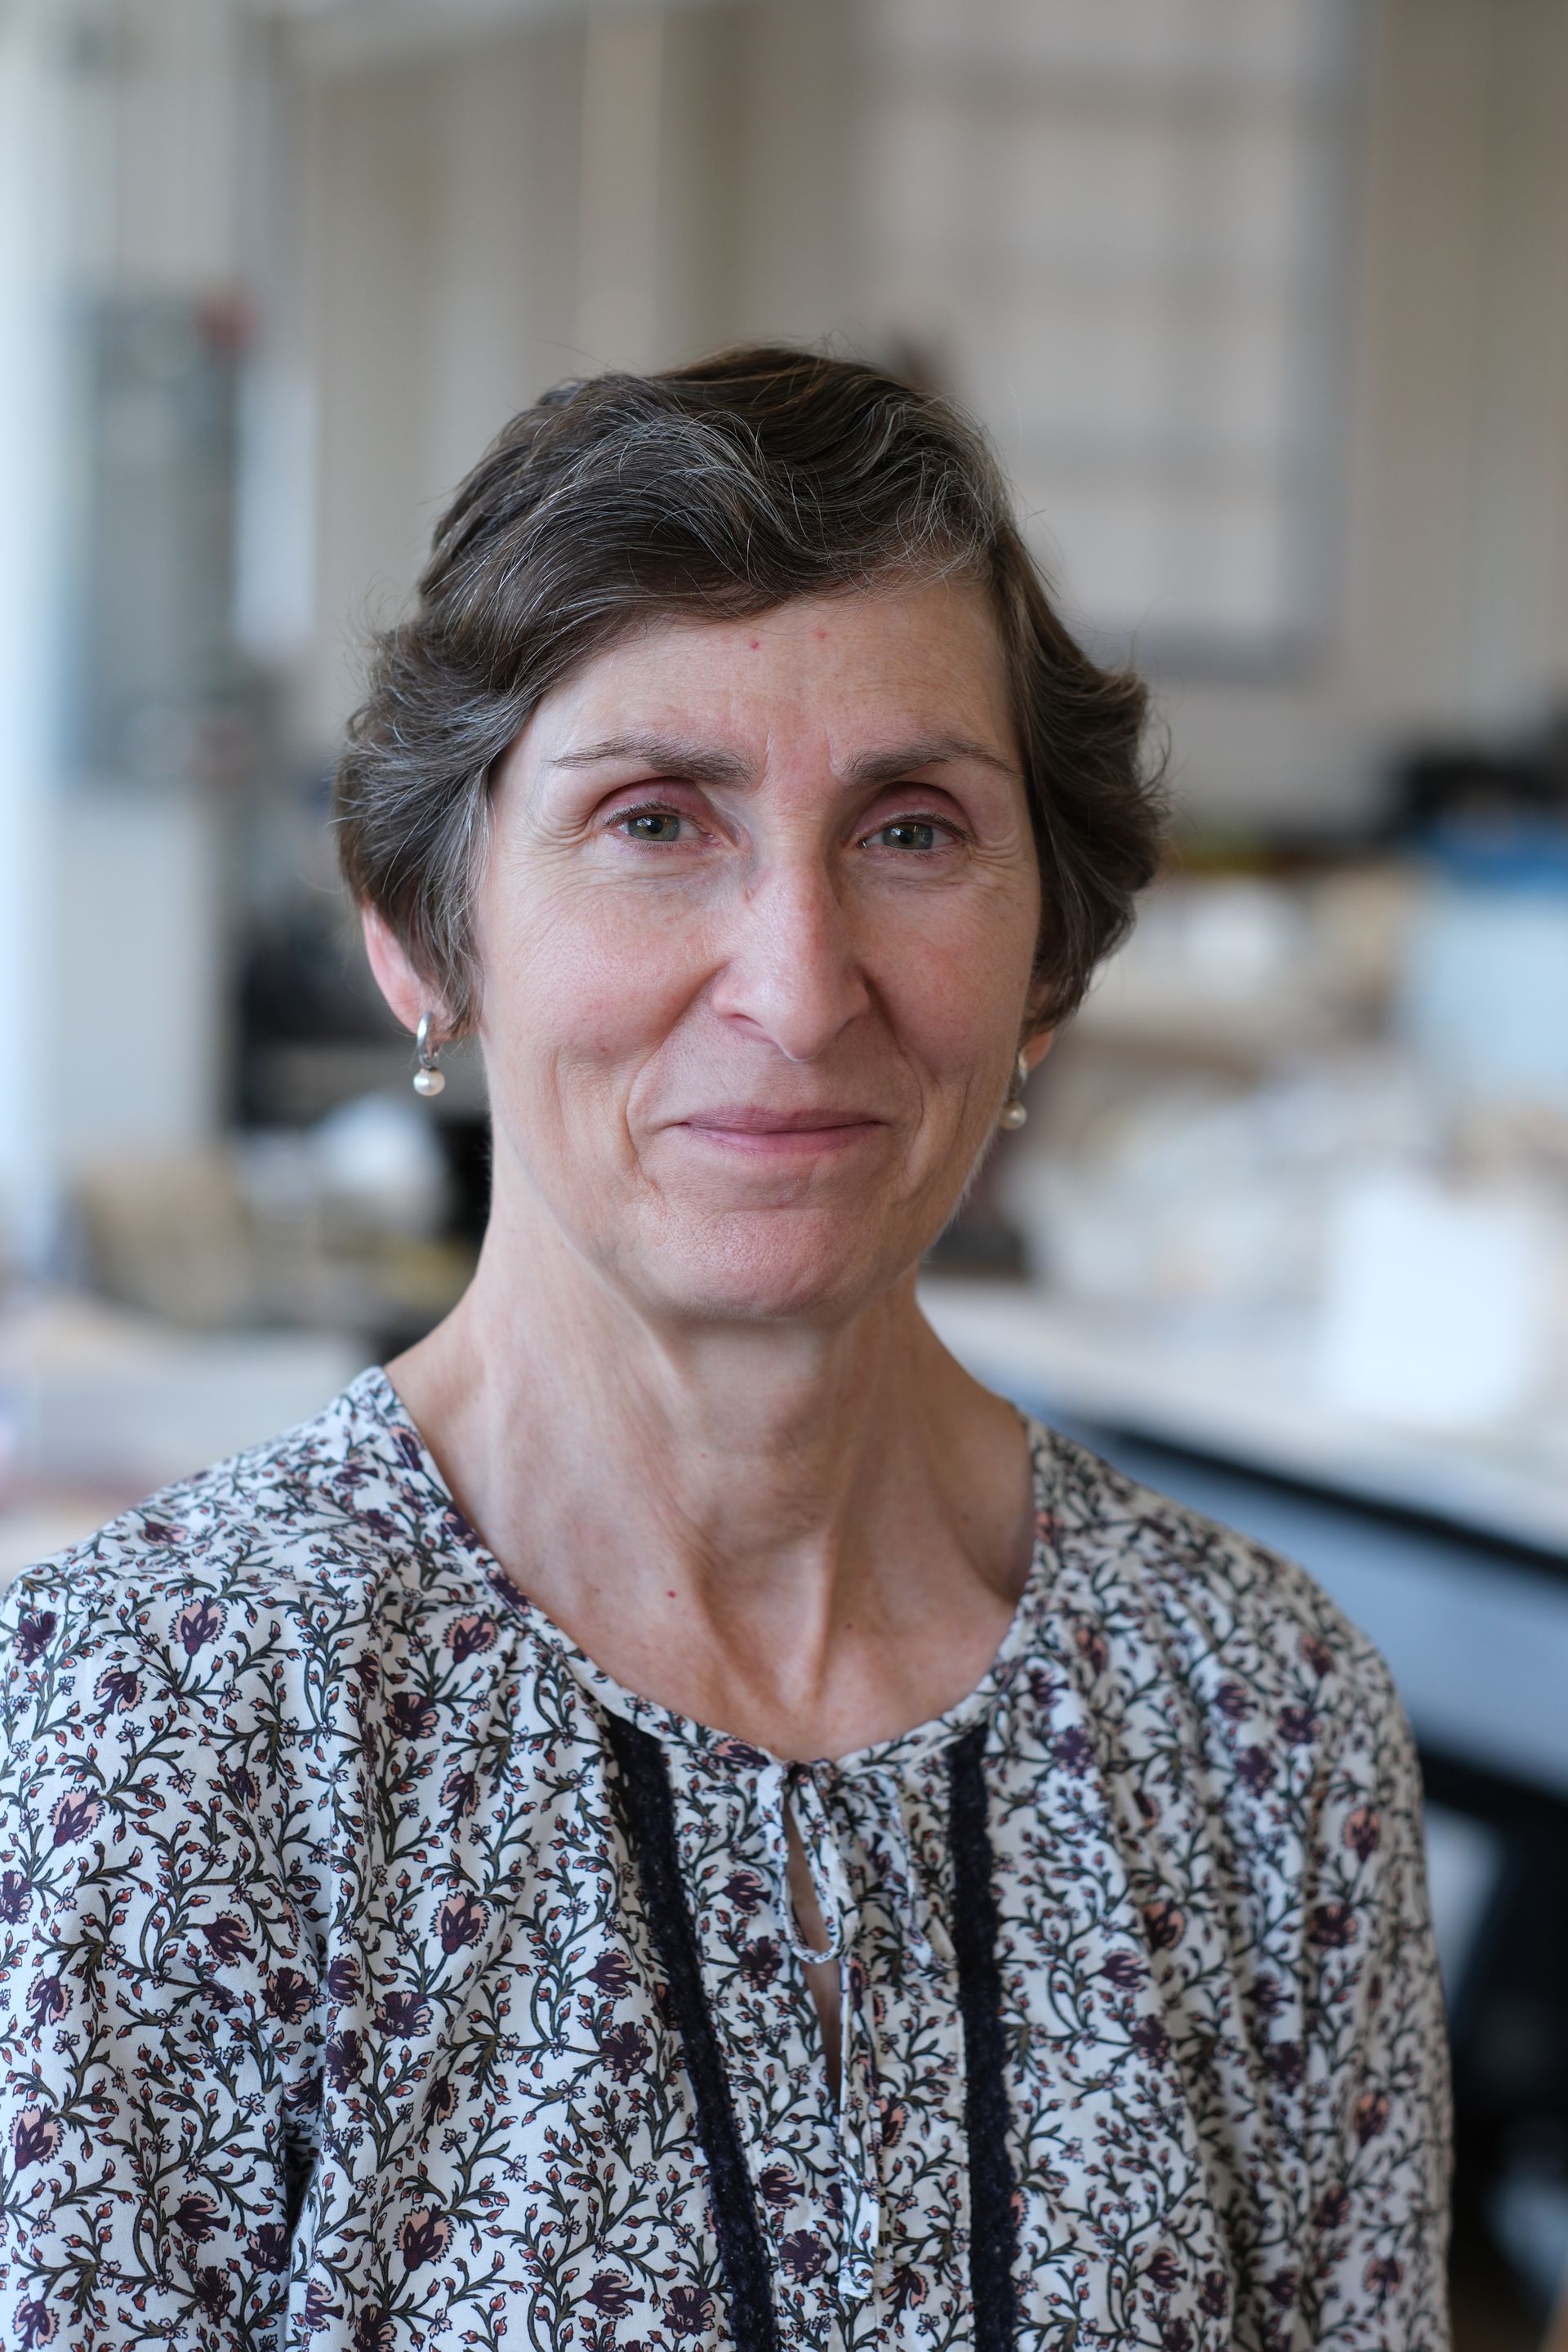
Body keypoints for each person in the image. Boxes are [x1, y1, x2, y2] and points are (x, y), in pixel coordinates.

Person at [0, 350, 1448, 2352]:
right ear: (422, 929)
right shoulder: (143, 1732)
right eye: (656, 819)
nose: (797, 984)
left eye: (913, 830)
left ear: (1046, 962)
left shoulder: (1260, 1726)